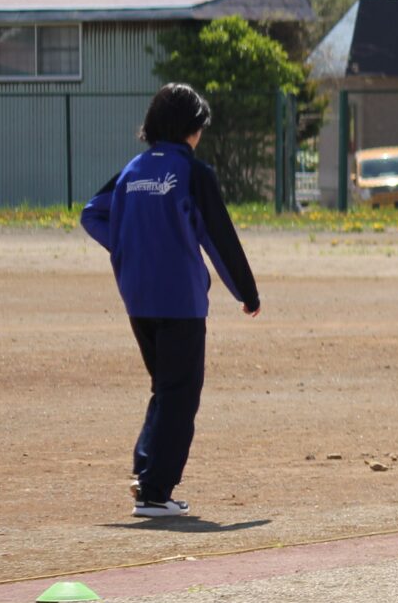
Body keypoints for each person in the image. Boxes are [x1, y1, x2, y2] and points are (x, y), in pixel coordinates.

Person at [79, 83, 261, 519]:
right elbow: (220, 238)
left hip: (138, 297)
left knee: (166, 388)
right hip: (179, 301)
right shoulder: (193, 173)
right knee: (180, 394)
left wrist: (129, 248)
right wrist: (247, 292)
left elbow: (93, 213)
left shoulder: (133, 169)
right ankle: (156, 491)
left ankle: (147, 476)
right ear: (191, 129)